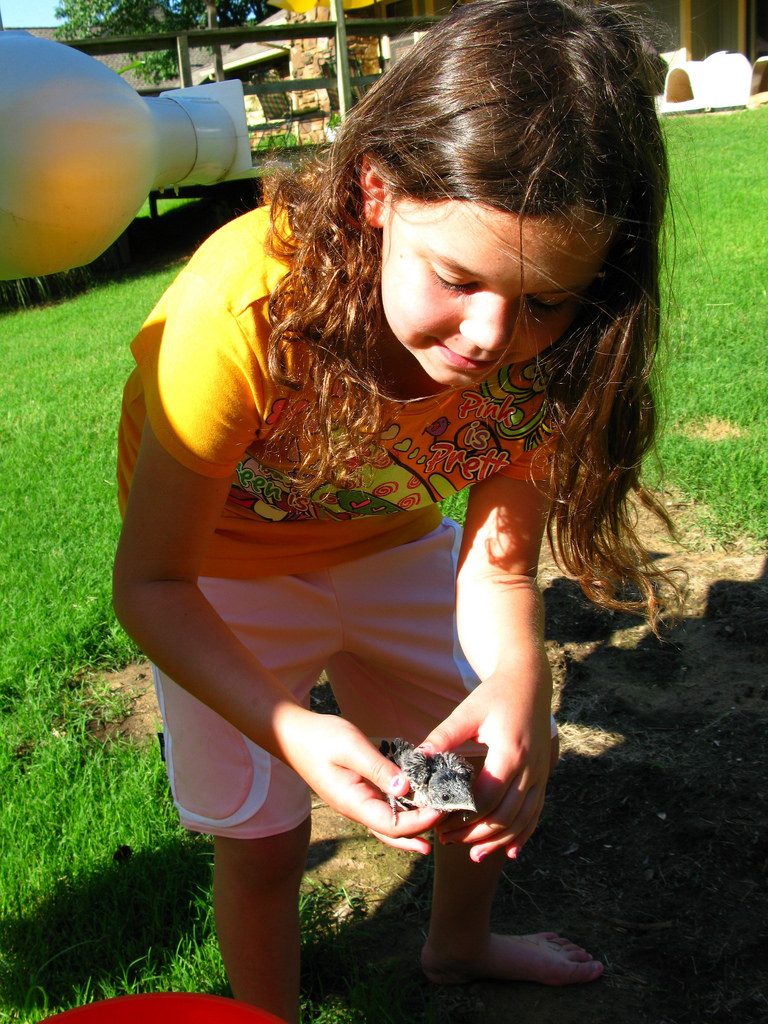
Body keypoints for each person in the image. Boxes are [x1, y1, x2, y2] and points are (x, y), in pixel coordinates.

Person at [113, 2, 676, 1020]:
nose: (492, 337)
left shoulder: (550, 349)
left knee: (463, 771)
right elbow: (150, 583)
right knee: (266, 840)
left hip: (393, 545)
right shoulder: (242, 310)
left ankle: (457, 946)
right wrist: (289, 727)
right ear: (376, 190)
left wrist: (518, 673)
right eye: (457, 278)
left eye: (543, 298)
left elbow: (499, 567)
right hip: (215, 576)